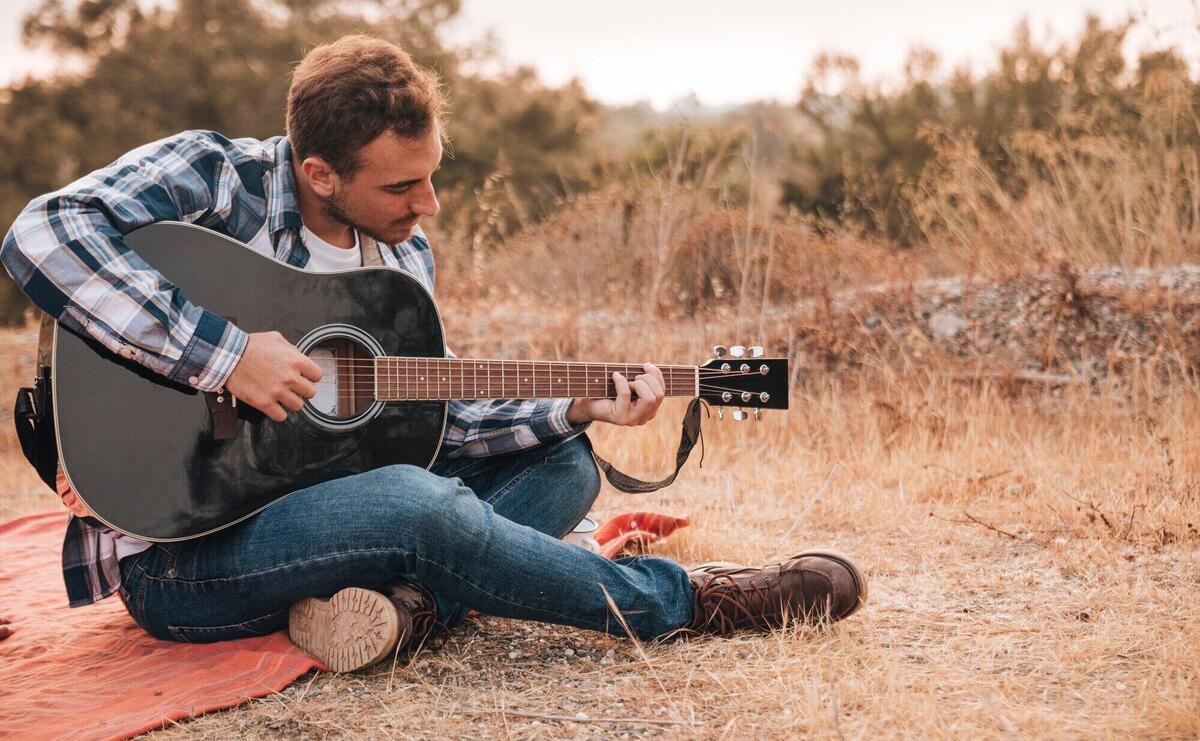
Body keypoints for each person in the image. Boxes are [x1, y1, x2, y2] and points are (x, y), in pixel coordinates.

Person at [0, 35, 867, 673]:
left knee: (565, 464)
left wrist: (577, 404)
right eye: (402, 185)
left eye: (432, 173)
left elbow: (421, 419)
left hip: (340, 511)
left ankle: (401, 609)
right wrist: (223, 355)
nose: (432, 203)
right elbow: (42, 233)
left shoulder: (402, 259)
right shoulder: (217, 178)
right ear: (319, 173)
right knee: (416, 505)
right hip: (184, 557)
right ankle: (686, 600)